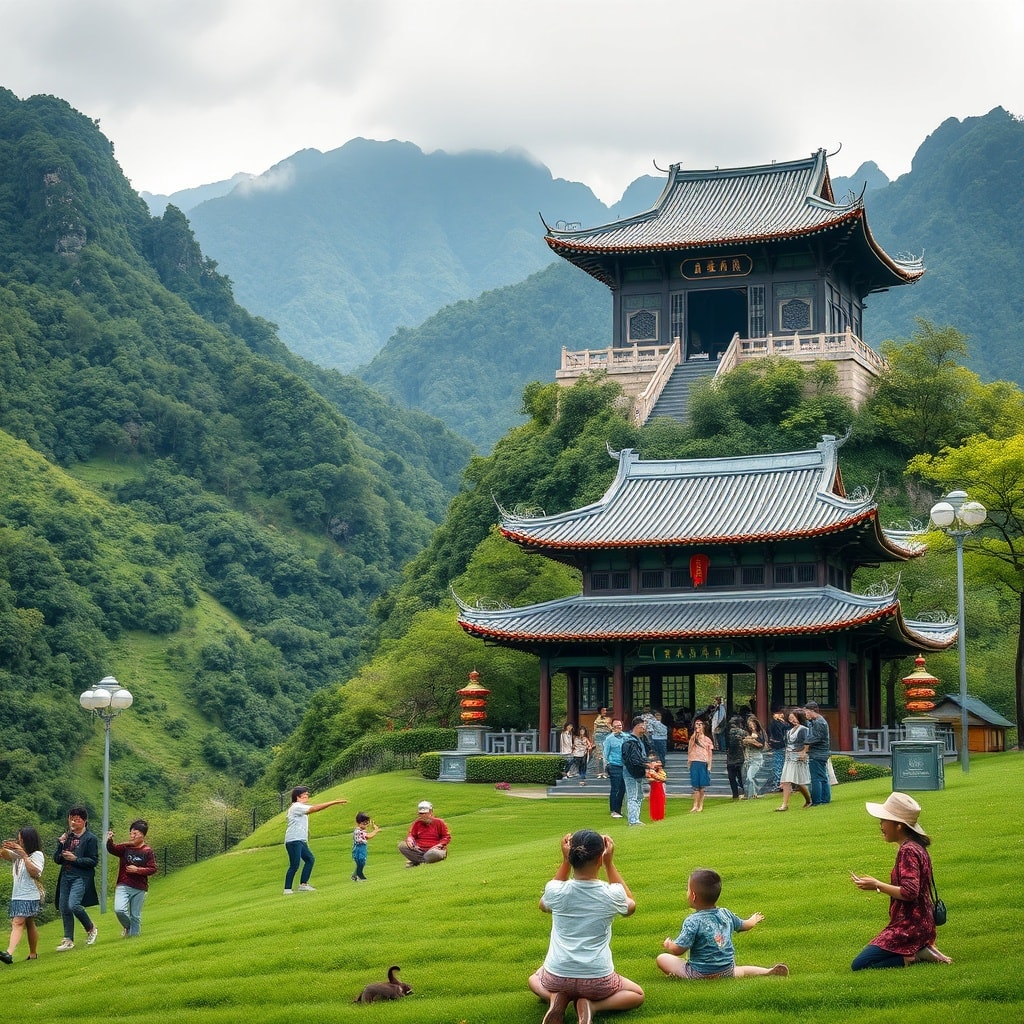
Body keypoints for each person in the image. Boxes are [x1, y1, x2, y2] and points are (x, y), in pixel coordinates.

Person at [528, 830, 645, 1024]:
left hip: (557, 976)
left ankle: (555, 998)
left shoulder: (555, 890)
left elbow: (543, 905)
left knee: (534, 979)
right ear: (600, 858)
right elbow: (630, 906)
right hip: (597, 979)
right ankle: (592, 1006)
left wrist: (565, 862)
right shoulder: (611, 893)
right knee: (637, 994)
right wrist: (609, 864)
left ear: (571, 856)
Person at [851, 793, 952, 969]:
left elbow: (909, 892)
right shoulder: (916, 847)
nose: (881, 825)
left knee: (860, 964)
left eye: (884, 820)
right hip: (921, 922)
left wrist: (877, 885)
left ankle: (914, 956)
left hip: (909, 926)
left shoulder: (908, 851)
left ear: (899, 825)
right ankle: (921, 949)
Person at [656, 867, 789, 979]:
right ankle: (768, 971)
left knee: (662, 958)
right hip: (727, 971)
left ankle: (678, 976)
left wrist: (670, 945)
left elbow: (679, 950)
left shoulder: (692, 921)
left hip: (699, 974)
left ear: (694, 896)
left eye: (688, 890)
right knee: (743, 970)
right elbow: (744, 925)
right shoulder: (726, 914)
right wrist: (753, 919)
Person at [283, 786, 348, 894]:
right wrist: (334, 802)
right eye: (305, 794)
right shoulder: (296, 806)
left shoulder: (300, 807)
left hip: (300, 840)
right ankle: (287, 889)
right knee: (294, 865)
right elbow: (314, 809)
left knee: (310, 859)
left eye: (307, 794)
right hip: (294, 840)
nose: (307, 795)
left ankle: (303, 885)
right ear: (298, 797)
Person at [54, 805, 99, 951]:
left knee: (73, 905)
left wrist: (76, 859)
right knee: (64, 907)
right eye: (71, 819)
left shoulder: (90, 838)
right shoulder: (67, 837)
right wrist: (60, 845)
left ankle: (91, 928)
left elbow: (93, 861)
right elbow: (57, 859)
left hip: (81, 876)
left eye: (77, 820)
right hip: (65, 876)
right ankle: (68, 940)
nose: (73, 823)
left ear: (84, 821)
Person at [106, 821, 158, 937]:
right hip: (123, 884)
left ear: (143, 835)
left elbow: (153, 868)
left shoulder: (147, 851)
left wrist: (137, 870)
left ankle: (134, 938)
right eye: (131, 833)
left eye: (135, 833)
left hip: (140, 887)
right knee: (119, 910)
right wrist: (109, 840)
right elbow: (112, 849)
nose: (132, 836)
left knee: (135, 916)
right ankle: (128, 927)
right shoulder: (125, 847)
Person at [1, 827, 45, 963]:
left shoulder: (36, 855)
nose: (19, 841)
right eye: (18, 839)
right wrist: (5, 847)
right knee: (29, 923)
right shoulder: (17, 855)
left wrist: (24, 856)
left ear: (28, 840)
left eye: (21, 839)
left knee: (17, 922)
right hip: (18, 895)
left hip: (29, 895)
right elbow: (4, 855)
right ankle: (33, 953)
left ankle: (9, 953)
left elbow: (35, 872)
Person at [775, 709, 811, 811]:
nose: (792, 720)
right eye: (790, 718)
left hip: (798, 758)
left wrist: (804, 752)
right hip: (789, 758)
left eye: (794, 717)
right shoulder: (790, 730)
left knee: (798, 781)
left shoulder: (803, 729)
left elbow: (808, 742)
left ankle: (808, 800)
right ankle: (785, 804)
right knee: (787, 780)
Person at [398, 801, 451, 866]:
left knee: (433, 854)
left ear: (431, 812)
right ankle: (422, 860)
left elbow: (446, 837)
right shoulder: (417, 823)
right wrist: (410, 840)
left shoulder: (439, 822)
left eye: (425, 813)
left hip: (434, 850)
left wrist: (439, 845)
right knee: (402, 846)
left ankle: (416, 861)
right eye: (421, 813)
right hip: (419, 850)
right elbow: (411, 835)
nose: (423, 815)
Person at [620, 716, 650, 826]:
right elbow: (633, 759)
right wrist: (647, 764)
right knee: (632, 796)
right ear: (637, 726)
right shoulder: (629, 742)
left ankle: (636, 818)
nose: (644, 729)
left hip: (638, 772)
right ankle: (633, 820)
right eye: (642, 726)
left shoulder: (640, 740)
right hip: (631, 772)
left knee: (639, 796)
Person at [804, 702, 832, 806]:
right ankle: (825, 799)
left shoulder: (819, 722)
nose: (805, 714)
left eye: (806, 712)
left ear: (811, 711)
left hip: (817, 753)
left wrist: (804, 742)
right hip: (822, 752)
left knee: (816, 778)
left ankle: (816, 800)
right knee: (823, 777)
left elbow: (816, 737)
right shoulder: (818, 721)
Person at [687, 718, 714, 813]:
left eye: (700, 724)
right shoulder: (693, 738)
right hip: (694, 762)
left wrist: (709, 765)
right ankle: (695, 805)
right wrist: (689, 761)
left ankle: (700, 805)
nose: (698, 725)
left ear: (703, 726)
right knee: (695, 786)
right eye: (696, 724)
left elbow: (710, 754)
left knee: (702, 787)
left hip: (703, 763)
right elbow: (690, 749)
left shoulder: (707, 739)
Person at [603, 720, 627, 819]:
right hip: (614, 765)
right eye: (616, 726)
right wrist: (606, 766)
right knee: (615, 788)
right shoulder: (609, 739)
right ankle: (614, 810)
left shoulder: (626, 737)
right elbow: (605, 753)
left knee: (623, 789)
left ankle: (619, 809)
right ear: (612, 727)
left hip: (625, 766)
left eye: (620, 725)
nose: (618, 727)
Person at [742, 714, 767, 800]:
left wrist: (752, 741)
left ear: (756, 724)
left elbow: (761, 745)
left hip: (756, 757)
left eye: (753, 724)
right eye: (750, 725)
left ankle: (756, 792)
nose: (751, 726)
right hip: (748, 757)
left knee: (750, 776)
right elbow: (743, 741)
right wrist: (747, 740)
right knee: (747, 777)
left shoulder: (760, 733)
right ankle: (752, 794)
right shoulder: (747, 733)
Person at [351, 812, 380, 881]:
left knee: (361, 862)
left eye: (367, 823)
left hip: (361, 847)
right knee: (361, 861)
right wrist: (375, 831)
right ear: (358, 823)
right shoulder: (359, 831)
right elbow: (368, 836)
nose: (366, 825)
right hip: (359, 848)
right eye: (364, 823)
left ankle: (355, 875)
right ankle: (359, 875)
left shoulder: (360, 830)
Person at [725, 715, 747, 800]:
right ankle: (742, 792)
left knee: (733, 778)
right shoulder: (743, 732)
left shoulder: (729, 732)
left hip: (734, 758)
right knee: (740, 777)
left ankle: (736, 794)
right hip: (737, 757)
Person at [766, 708, 788, 792]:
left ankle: (778, 783)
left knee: (779, 765)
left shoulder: (779, 723)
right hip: (779, 746)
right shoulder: (775, 724)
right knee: (778, 765)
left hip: (780, 746)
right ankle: (778, 783)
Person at [592, 708, 613, 778]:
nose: (605, 712)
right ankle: (599, 772)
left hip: (606, 737)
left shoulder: (608, 719)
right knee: (599, 756)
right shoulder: (597, 719)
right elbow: (594, 730)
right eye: (603, 710)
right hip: (598, 738)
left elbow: (610, 727)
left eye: (605, 710)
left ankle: (605, 772)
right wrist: (593, 740)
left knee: (605, 755)